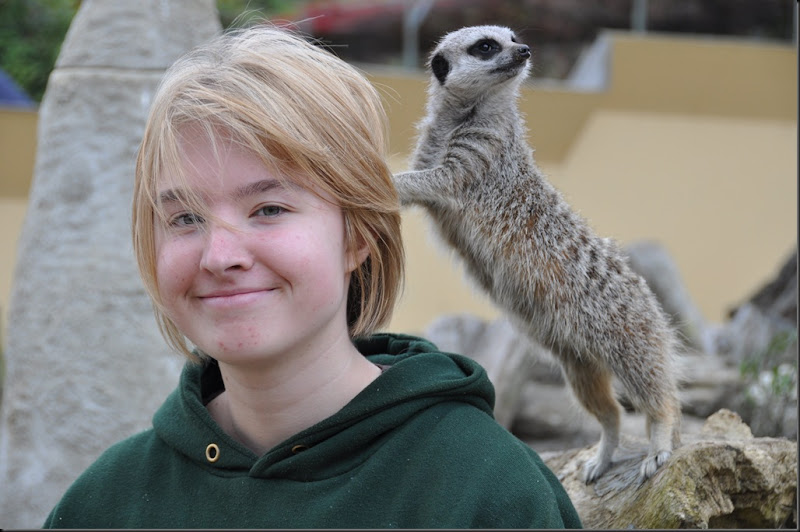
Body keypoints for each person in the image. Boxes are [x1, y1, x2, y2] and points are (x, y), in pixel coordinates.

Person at [43, 23, 581, 529]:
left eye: (269, 209)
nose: (219, 255)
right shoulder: (105, 501)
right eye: (185, 218)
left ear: (358, 235)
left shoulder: (488, 494)